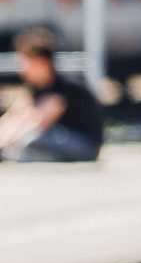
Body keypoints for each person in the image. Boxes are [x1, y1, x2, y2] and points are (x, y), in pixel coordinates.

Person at [0, 29, 103, 163]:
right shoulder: (37, 87)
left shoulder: (64, 86)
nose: (22, 68)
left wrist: (7, 144)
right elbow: (17, 115)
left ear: (42, 62)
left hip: (85, 146)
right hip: (61, 143)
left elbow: (38, 121)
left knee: (33, 138)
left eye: (26, 61)